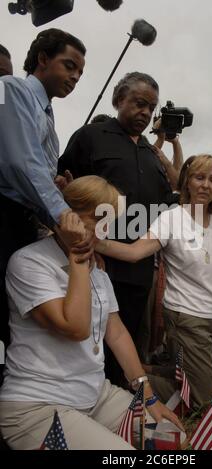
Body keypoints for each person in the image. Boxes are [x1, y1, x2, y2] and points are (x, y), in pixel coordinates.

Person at [0, 175, 183, 450]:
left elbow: (117, 332)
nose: (106, 229)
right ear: (68, 214)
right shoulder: (29, 261)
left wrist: (146, 393)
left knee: (172, 440)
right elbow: (76, 327)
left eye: (110, 220)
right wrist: (78, 254)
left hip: (95, 395)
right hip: (39, 404)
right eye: (99, 218)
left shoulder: (97, 271)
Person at [95, 154, 212, 407]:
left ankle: (149, 369)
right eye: (199, 177)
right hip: (187, 317)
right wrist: (93, 242)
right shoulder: (171, 218)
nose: (205, 185)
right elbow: (135, 252)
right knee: (205, 401)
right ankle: (128, 380)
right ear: (187, 182)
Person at [58, 72, 177, 385]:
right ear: (117, 100)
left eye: (151, 108)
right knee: (87, 338)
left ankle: (120, 397)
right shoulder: (89, 136)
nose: (145, 113)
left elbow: (166, 204)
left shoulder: (153, 156)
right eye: (139, 103)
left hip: (137, 268)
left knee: (125, 338)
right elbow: (61, 189)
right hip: (94, 261)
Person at [0, 29, 91, 359]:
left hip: (25, 223)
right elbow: (20, 163)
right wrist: (63, 214)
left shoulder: (48, 119)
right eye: (69, 66)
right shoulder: (11, 89)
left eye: (80, 72)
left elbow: (38, 173)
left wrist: (57, 189)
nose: (75, 77)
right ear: (42, 59)